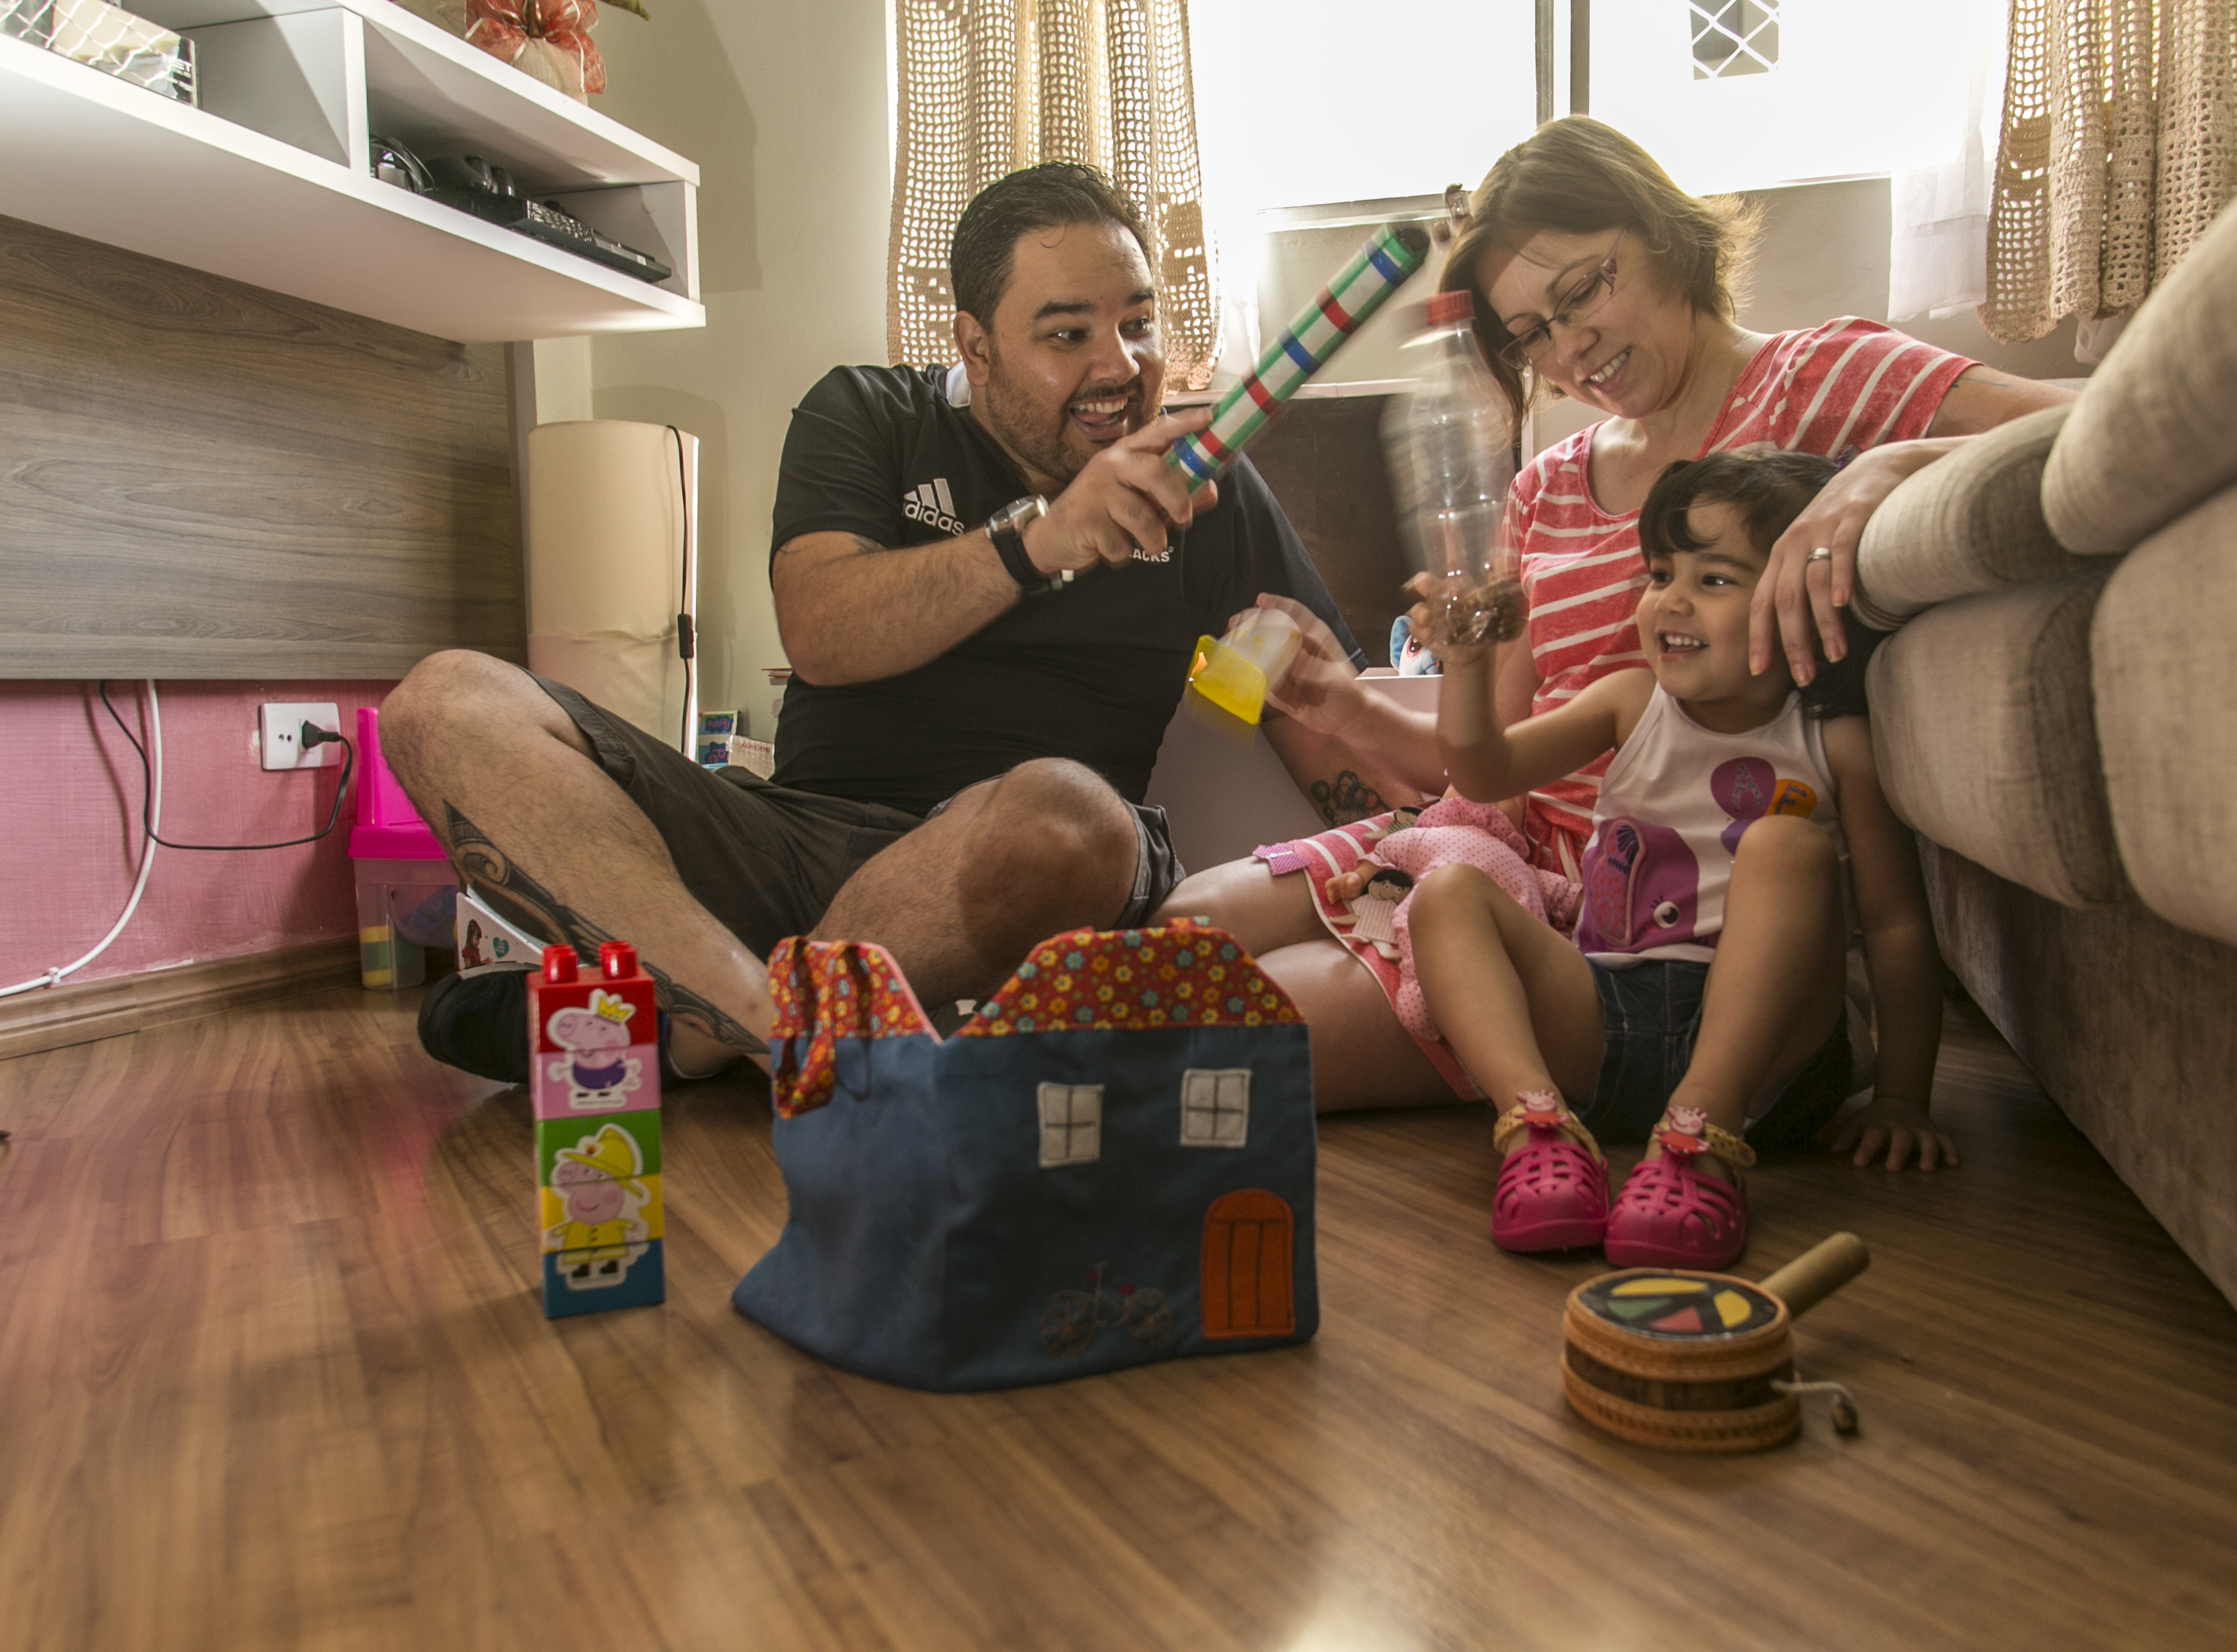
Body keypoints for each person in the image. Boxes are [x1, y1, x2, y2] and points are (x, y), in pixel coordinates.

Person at [1159, 116, 2072, 1109]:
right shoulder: (1545, 486)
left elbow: (2082, 425)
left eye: (1584, 288)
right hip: (1501, 846)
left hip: (1639, 911)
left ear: (1667, 234)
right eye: (1532, 334)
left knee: (1232, 1030)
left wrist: (1887, 468)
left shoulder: (1816, 381)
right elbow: (1493, 755)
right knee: (1189, 925)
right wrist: (1344, 706)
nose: (1570, 345)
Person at [387, 162, 1368, 1082]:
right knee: (446, 704)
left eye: (1140, 325)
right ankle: (767, 1030)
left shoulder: (1210, 495)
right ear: (975, 348)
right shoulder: (868, 412)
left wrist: (1421, 845)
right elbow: (819, 628)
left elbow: (1333, 730)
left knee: (1072, 817)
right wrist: (1040, 542)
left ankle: (694, 1028)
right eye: (1068, 335)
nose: (1121, 366)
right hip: (800, 839)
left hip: (1018, 870)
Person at [1383, 447, 1953, 1267]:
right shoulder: (1628, 701)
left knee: (1785, 844)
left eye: (1714, 579)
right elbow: (1482, 771)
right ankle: (1538, 1129)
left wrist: (1903, 1095)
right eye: (1660, 574)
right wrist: (1468, 668)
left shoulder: (1837, 743)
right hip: (1614, 1017)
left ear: (1802, 596)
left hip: (1774, 1061)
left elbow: (1898, 927)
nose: (1670, 601)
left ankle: (1701, 1140)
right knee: (1444, 895)